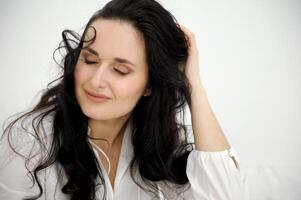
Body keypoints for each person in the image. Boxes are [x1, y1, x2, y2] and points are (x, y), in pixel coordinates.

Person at [0, 0, 247, 199]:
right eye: (90, 60)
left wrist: (193, 87)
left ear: (150, 85)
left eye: (120, 70)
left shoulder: (159, 145)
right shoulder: (29, 142)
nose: (96, 80)